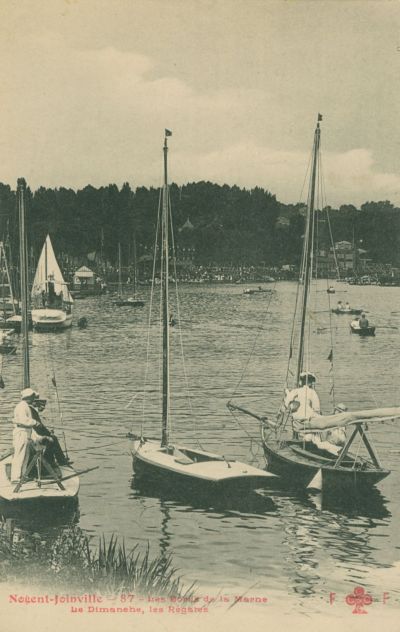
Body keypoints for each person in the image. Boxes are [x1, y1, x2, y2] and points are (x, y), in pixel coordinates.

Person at [11, 388, 40, 482]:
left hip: (26, 432)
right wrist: (35, 422)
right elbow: (23, 420)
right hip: (21, 432)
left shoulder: (25, 406)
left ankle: (24, 475)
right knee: (20, 455)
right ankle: (15, 477)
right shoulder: (22, 406)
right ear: (28, 397)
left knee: (25, 455)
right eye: (32, 397)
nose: (33, 398)